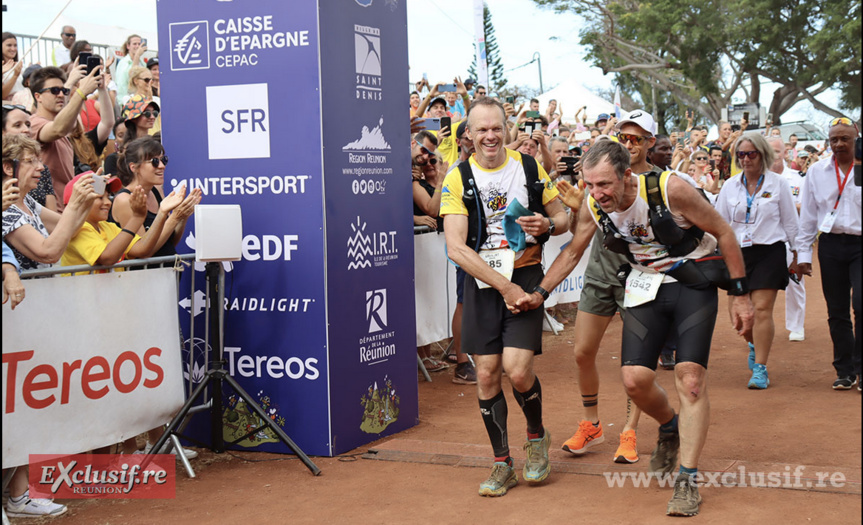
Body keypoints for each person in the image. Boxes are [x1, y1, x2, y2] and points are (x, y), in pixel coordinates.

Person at [515, 139, 754, 517]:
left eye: (604, 185)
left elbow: (724, 231)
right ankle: (669, 425)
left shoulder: (671, 189)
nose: (596, 194)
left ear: (627, 175)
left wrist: (740, 295)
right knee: (634, 381)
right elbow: (573, 250)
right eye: (590, 185)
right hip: (644, 283)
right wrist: (540, 293)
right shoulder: (594, 204)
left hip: (692, 283)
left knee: (690, 379)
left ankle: (687, 480)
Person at [440, 96, 568, 496]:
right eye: (482, 129)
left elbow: (564, 218)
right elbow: (456, 248)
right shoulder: (457, 177)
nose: (490, 136)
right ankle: (501, 464)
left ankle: (536, 437)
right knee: (486, 372)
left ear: (506, 129)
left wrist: (547, 222)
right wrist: (504, 286)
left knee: (517, 370)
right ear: (469, 135)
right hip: (485, 283)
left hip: (526, 273)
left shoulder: (528, 167)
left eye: (497, 128)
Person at [714, 133, 798, 389]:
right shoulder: (729, 186)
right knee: (738, 317)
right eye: (741, 154)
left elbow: (790, 222)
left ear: (763, 154)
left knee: (761, 310)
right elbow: (720, 223)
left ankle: (760, 367)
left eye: (751, 154)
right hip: (737, 254)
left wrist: (797, 255)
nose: (746, 159)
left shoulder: (778, 184)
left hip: (769, 251)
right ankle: (753, 342)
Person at [796, 118, 861, 390]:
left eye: (845, 138)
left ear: (857, 139)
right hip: (831, 246)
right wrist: (803, 254)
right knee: (836, 311)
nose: (839, 144)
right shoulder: (817, 172)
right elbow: (809, 216)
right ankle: (845, 371)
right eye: (834, 139)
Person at [2, 133, 97, 271]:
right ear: (8, 168)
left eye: (39, 160)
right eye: (30, 161)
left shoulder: (26, 200)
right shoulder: (6, 209)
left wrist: (88, 200)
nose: (40, 167)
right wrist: (73, 204)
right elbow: (48, 253)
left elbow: (71, 228)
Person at [108, 136, 201, 260]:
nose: (162, 166)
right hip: (143, 277)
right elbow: (144, 251)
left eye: (164, 160)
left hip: (166, 274)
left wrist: (182, 217)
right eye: (154, 161)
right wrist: (175, 217)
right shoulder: (124, 200)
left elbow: (168, 242)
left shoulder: (156, 191)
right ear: (133, 167)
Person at [29, 64, 104, 209]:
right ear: (38, 96)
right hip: (49, 216)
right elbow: (58, 129)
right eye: (54, 90)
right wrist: (81, 93)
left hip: (67, 212)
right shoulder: (33, 123)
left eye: (63, 90)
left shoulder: (65, 130)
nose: (61, 95)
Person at [769, 137, 807, 341]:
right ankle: (759, 327)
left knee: (795, 281)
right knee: (762, 284)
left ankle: (796, 326)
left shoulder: (798, 178)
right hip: (767, 239)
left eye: (777, 151)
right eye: (770, 150)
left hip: (792, 238)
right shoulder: (760, 177)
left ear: (785, 152)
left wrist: (786, 206)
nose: (774, 155)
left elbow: (807, 206)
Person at [3, 103, 58, 211]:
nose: (26, 130)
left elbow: (56, 222)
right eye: (17, 125)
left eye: (28, 124)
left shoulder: (28, 201)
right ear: (8, 168)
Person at [114, 34, 147, 102]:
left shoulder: (143, 63)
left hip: (141, 100)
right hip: (126, 101)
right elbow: (131, 77)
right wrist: (137, 55)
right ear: (128, 46)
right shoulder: (123, 63)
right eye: (134, 44)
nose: (137, 46)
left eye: (139, 44)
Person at [2, 32, 24, 101]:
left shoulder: (21, 66)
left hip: (24, 103)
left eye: (15, 45)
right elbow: (3, 95)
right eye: (9, 45)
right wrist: (15, 75)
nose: (13, 49)